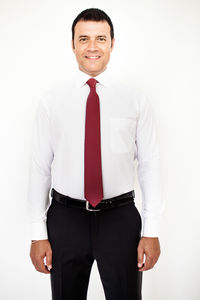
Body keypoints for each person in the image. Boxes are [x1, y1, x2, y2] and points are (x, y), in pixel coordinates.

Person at [28, 8, 164, 300]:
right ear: (73, 45)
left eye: (101, 38)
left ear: (112, 43)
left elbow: (150, 166)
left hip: (120, 219)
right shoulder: (51, 102)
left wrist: (151, 230)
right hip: (65, 220)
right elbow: (40, 168)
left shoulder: (135, 99)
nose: (92, 47)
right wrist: (38, 233)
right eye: (84, 39)